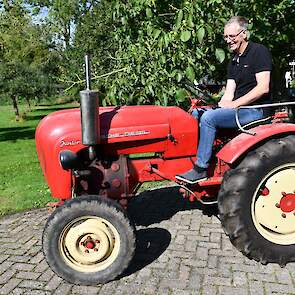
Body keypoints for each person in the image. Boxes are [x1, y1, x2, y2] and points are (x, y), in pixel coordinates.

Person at [176, 16, 272, 184]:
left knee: (209, 119)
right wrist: (219, 105)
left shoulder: (259, 51)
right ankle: (201, 156)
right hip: (240, 109)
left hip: (256, 110)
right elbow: (229, 92)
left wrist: (233, 105)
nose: (228, 41)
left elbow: (263, 87)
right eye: (225, 37)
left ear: (243, 34)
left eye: (231, 36)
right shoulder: (234, 60)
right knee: (198, 112)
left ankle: (201, 168)